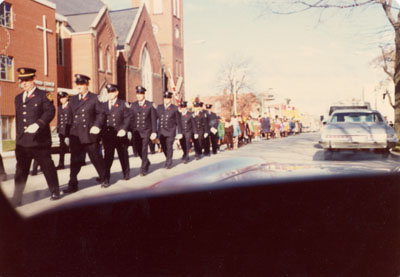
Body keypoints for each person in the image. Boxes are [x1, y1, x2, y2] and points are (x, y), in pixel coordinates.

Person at [12, 67, 60, 206]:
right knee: (20, 171)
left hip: (39, 141)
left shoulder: (44, 95)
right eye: (22, 81)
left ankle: (54, 191)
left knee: (47, 167)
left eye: (27, 80)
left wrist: (39, 124)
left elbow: (50, 111)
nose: (24, 83)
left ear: (34, 79)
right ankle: (17, 197)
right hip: (22, 142)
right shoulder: (18, 98)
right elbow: (20, 119)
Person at [63, 74, 107, 193]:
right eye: (77, 84)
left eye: (81, 84)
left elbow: (101, 114)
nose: (79, 87)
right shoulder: (72, 99)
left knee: (95, 158)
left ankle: (104, 178)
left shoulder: (94, 98)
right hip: (75, 135)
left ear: (87, 85)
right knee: (74, 160)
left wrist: (97, 126)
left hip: (89, 133)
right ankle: (73, 183)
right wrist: (67, 135)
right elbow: (69, 118)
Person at [101, 84, 131, 186]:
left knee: (123, 155)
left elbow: (127, 118)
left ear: (117, 92)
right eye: (108, 92)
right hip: (108, 136)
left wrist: (124, 129)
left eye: (112, 92)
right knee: (108, 157)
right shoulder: (104, 105)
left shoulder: (123, 104)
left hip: (120, 135)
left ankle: (126, 172)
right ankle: (106, 178)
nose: (110, 94)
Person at [129, 85, 157, 176]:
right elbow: (131, 119)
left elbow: (153, 119)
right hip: (136, 131)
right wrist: (129, 130)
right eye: (137, 93)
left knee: (144, 149)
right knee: (137, 148)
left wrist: (154, 132)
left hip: (146, 131)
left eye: (141, 93)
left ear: (144, 94)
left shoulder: (149, 105)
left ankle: (143, 168)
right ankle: (147, 161)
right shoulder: (133, 105)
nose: (139, 95)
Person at [156, 92, 182, 169]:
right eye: (165, 98)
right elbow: (155, 118)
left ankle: (169, 162)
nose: (166, 100)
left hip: (170, 131)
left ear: (170, 99)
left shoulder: (175, 108)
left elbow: (178, 121)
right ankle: (168, 158)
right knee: (164, 147)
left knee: (169, 146)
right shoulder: (159, 107)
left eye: (167, 98)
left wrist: (179, 133)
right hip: (161, 132)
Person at [56, 91, 72, 170]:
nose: (62, 100)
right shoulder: (59, 107)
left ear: (67, 98)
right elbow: (59, 120)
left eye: (63, 98)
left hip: (70, 131)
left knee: (72, 148)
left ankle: (75, 163)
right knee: (61, 149)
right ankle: (61, 164)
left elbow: (71, 119)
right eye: (60, 98)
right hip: (62, 131)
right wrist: (58, 129)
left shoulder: (71, 106)